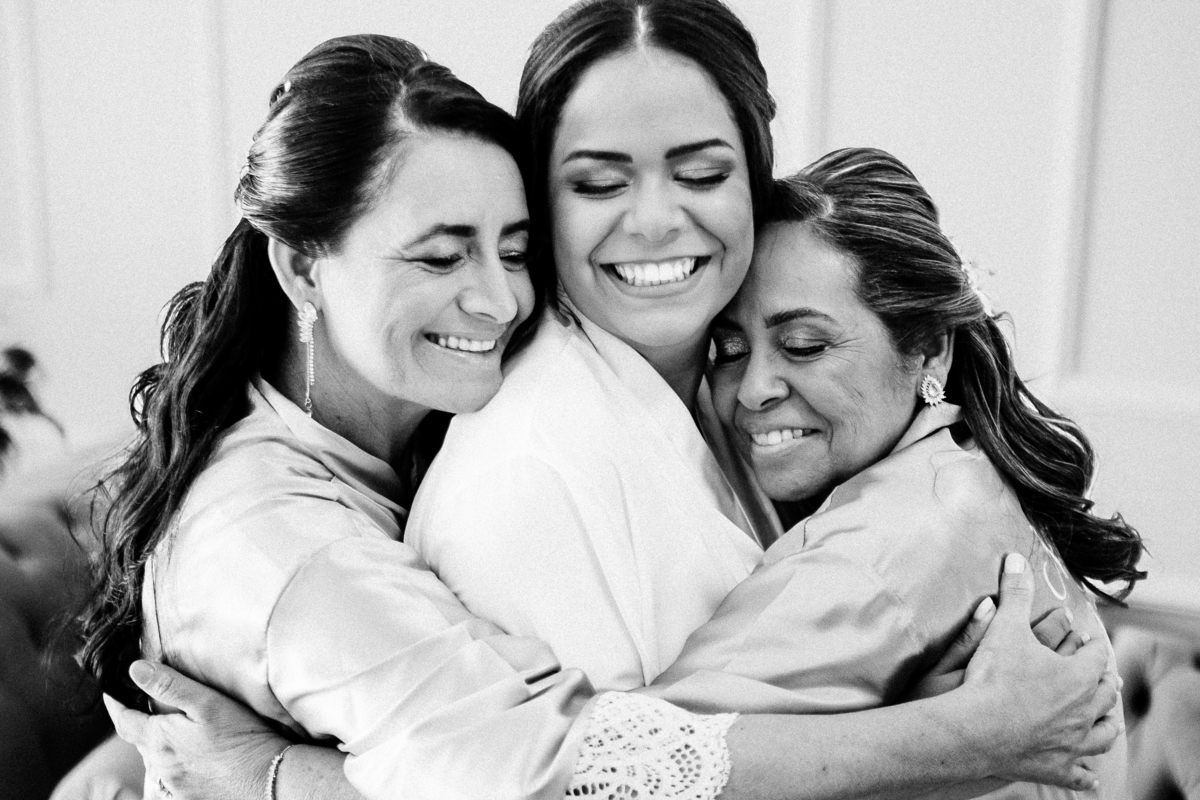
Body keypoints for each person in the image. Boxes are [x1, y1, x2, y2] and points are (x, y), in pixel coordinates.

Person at [69, 8, 1120, 800]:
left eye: (510, 248)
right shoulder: (500, 472)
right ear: (302, 267)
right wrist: (972, 738)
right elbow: (541, 775)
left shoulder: (668, 391)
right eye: (599, 182)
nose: (496, 298)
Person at [643, 149, 1144, 798]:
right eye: (730, 348)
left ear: (929, 348)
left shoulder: (882, 547)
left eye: (804, 345)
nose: (752, 389)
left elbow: (637, 768)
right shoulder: (966, 473)